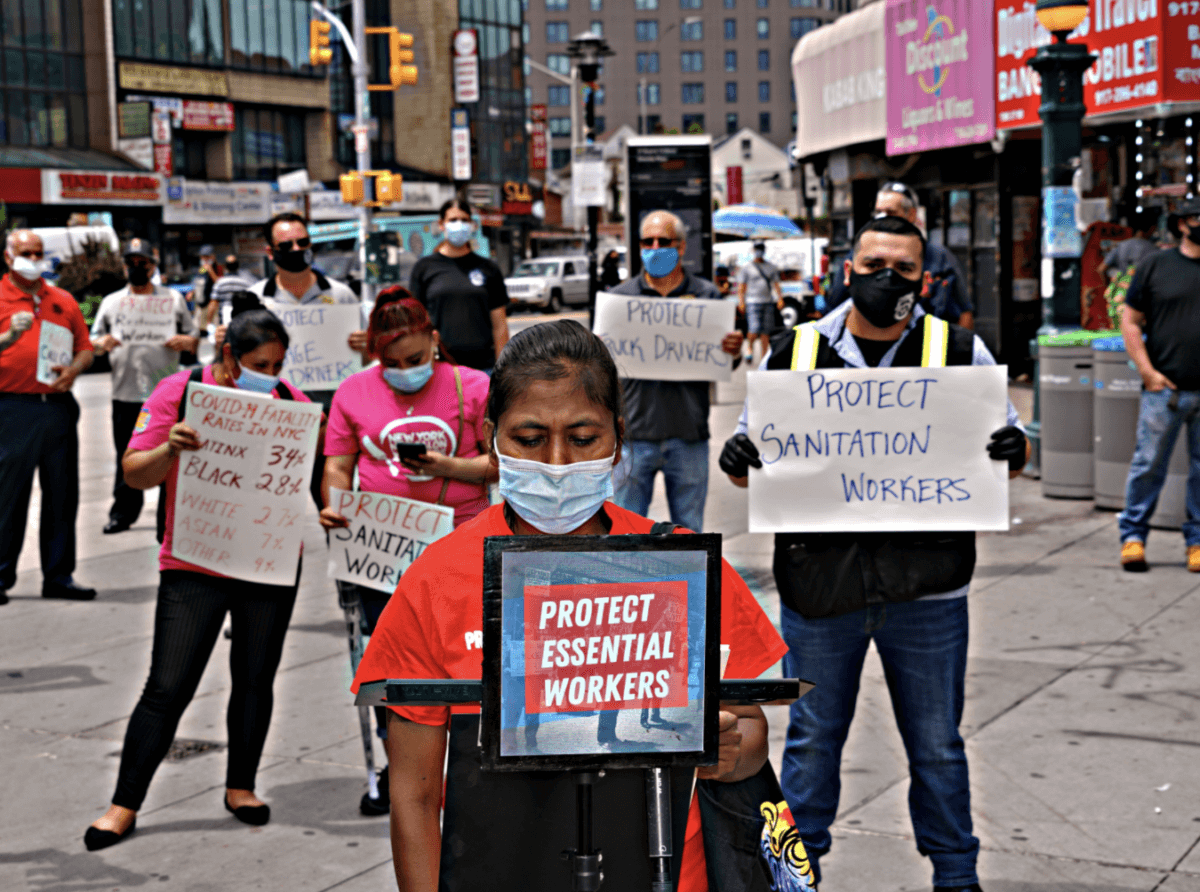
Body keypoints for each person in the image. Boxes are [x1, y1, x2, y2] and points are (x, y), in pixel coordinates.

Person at [350, 320, 788, 892]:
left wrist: (729, 747)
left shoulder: (682, 566)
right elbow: (413, 791)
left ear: (618, 438)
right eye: (529, 439)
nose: (557, 463)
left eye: (583, 438)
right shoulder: (436, 580)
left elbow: (751, 738)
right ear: (491, 439)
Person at [718, 215, 1029, 892]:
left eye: (904, 268)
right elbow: (750, 463)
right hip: (819, 589)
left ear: (927, 278)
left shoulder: (958, 350)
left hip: (929, 589)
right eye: (873, 263)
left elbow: (1004, 445)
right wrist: (740, 458)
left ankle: (956, 876)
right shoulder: (794, 351)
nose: (887, 278)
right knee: (810, 745)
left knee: (939, 748)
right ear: (846, 268)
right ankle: (795, 876)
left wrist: (1015, 450)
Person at [84, 306, 313, 851]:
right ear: (229, 356)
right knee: (167, 686)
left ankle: (241, 787)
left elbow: (317, 472)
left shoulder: (290, 404)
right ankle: (124, 804)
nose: (272, 373)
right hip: (194, 563)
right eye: (261, 362)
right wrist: (172, 447)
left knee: (255, 679)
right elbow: (134, 473)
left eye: (279, 363)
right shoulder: (180, 390)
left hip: (267, 564)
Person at [320, 286, 494, 813]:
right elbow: (337, 463)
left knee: (465, 658)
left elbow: (501, 464)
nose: (404, 370)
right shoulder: (352, 393)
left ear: (436, 341)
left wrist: (446, 468)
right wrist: (334, 504)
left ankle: (469, 763)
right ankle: (403, 767)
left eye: (416, 359)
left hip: (460, 543)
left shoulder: (475, 386)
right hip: (381, 550)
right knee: (390, 665)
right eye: (389, 362)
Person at [609, 210, 744, 534]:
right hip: (632, 437)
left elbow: (724, 362)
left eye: (664, 241)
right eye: (647, 241)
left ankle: (688, 588)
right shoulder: (619, 300)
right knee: (625, 536)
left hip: (688, 434)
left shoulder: (707, 296)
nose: (655, 247)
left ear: (681, 247)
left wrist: (733, 352)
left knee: (689, 536)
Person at [0, 229, 96, 603]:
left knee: (62, 493)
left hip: (56, 407)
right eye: (26, 252)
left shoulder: (62, 299)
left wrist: (74, 369)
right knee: (9, 495)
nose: (33, 258)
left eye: (38, 252)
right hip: (12, 407)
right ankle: (1, 574)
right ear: (8, 258)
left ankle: (58, 575)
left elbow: (85, 348)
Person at [249, 212, 365, 506]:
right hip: (276, 417)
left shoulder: (342, 296)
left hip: (335, 417)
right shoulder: (255, 300)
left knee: (337, 504)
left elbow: (364, 360)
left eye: (303, 242)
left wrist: (365, 346)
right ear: (270, 251)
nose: (297, 250)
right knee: (272, 507)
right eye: (287, 245)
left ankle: (339, 552)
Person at [90, 239, 198, 534]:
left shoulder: (173, 300)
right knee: (127, 454)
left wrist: (187, 342)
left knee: (171, 454)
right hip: (124, 393)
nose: (137, 268)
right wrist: (101, 343)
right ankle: (123, 512)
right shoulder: (113, 302)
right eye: (132, 263)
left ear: (153, 265)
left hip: (164, 396)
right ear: (125, 267)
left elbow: (192, 335)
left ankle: (169, 516)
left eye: (143, 262)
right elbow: (93, 338)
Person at [1117, 199, 1200, 573]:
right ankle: (1133, 537)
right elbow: (1130, 320)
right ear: (1182, 224)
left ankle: (1197, 542)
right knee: (1148, 465)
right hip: (1164, 389)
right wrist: (1148, 372)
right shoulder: (1156, 264)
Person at [827, 182, 974, 329]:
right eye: (878, 212)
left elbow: (964, 313)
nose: (883, 218)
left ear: (911, 215)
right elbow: (836, 308)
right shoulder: (858, 256)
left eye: (890, 212)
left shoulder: (939, 258)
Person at [409, 198, 510, 373]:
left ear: (472, 225)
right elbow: (415, 322)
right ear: (441, 225)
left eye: (464, 220)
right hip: (438, 367)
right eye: (453, 220)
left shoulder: (488, 269)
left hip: (483, 367)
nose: (459, 225)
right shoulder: (424, 268)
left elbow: (500, 325)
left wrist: (502, 370)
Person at [737, 241, 784, 362]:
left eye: (761, 248)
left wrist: (780, 298)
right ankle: (749, 347)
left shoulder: (770, 267)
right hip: (752, 302)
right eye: (757, 248)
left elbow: (776, 284)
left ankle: (764, 357)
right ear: (753, 250)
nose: (759, 251)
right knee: (754, 328)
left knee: (766, 331)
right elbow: (741, 287)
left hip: (767, 301)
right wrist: (741, 301)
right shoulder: (747, 268)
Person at [203, 253, 255, 327]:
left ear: (225, 267)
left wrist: (209, 323)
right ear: (238, 266)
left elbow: (213, 304)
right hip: (243, 321)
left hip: (225, 322)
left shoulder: (220, 283)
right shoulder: (246, 283)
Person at [189, 244, 218, 326]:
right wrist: (192, 292)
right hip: (200, 303)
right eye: (202, 256)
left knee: (212, 330)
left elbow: (220, 283)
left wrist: (211, 271)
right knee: (198, 329)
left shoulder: (218, 267)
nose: (204, 259)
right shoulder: (201, 268)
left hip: (212, 306)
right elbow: (198, 281)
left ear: (213, 257)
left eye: (207, 256)